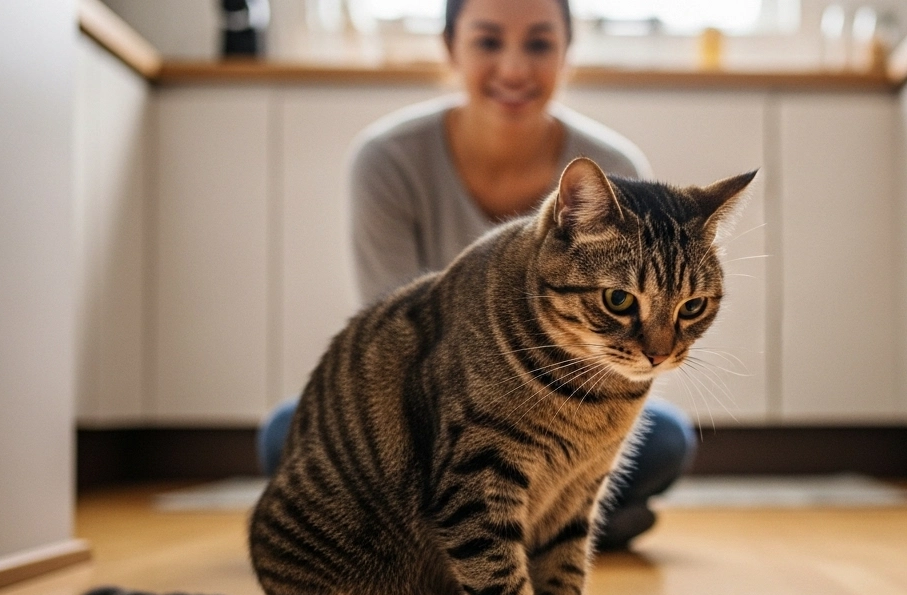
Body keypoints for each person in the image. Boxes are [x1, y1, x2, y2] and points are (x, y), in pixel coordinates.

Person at [256, 0, 696, 550]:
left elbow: (623, 347)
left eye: (539, 44)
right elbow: (393, 342)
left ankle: (492, 535)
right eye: (488, 42)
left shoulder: (614, 165)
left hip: (572, 403)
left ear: (566, 53)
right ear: (449, 49)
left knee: (668, 440)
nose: (514, 69)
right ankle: (538, 532)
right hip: (435, 407)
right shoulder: (386, 159)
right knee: (285, 434)